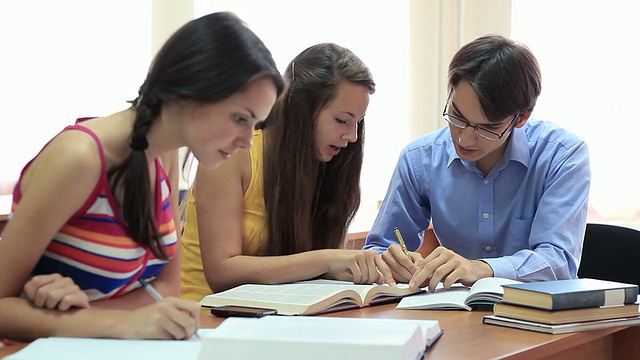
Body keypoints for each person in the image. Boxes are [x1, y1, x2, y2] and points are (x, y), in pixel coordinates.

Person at [0, 11, 284, 342]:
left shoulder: (165, 154)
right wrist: (118, 322)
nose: (247, 141)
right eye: (239, 118)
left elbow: (166, 289)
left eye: (256, 124)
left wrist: (84, 315)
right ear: (190, 90)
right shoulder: (79, 158)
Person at [365, 34, 590, 292]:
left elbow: (558, 262)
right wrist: (393, 262)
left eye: (488, 127)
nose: (465, 137)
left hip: (536, 316)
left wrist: (480, 268)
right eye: (457, 116)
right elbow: (379, 248)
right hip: (453, 314)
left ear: (521, 118)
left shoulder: (562, 156)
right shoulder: (419, 159)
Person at [180, 43, 395, 301]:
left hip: (278, 316)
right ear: (301, 108)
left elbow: (304, 269)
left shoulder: (326, 164)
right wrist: (327, 260)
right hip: (206, 321)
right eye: (341, 120)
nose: (352, 136)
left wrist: (367, 269)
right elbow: (222, 273)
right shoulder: (233, 154)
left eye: (358, 122)